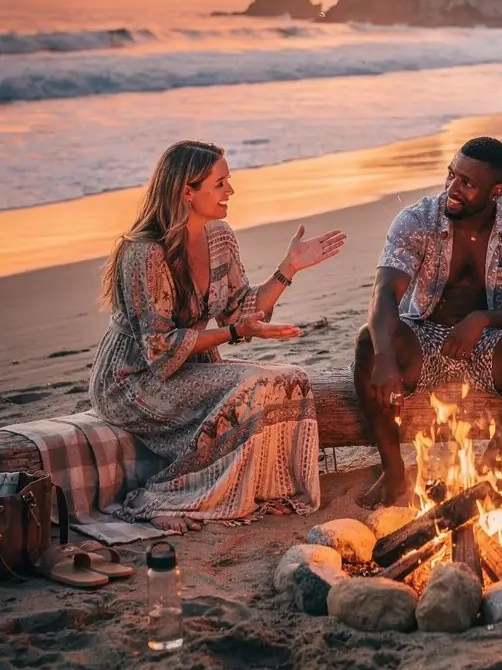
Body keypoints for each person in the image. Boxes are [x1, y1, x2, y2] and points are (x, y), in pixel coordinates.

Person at [90, 140, 346, 528]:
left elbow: (243, 308)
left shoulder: (219, 237)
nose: (231, 191)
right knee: (254, 385)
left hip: (189, 364)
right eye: (221, 183)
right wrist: (234, 333)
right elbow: (160, 350)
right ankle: (159, 500)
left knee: (291, 379)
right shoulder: (144, 253)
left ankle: (265, 489)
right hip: (133, 380)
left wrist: (289, 268)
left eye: (229, 181)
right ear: (186, 191)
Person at [353, 136, 502, 505]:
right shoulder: (417, 218)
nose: (452, 188)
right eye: (451, 175)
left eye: (467, 183)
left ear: (497, 190)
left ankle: (490, 465)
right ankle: (393, 471)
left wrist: (483, 319)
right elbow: (384, 293)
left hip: (492, 342)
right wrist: (385, 357)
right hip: (425, 336)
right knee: (370, 341)